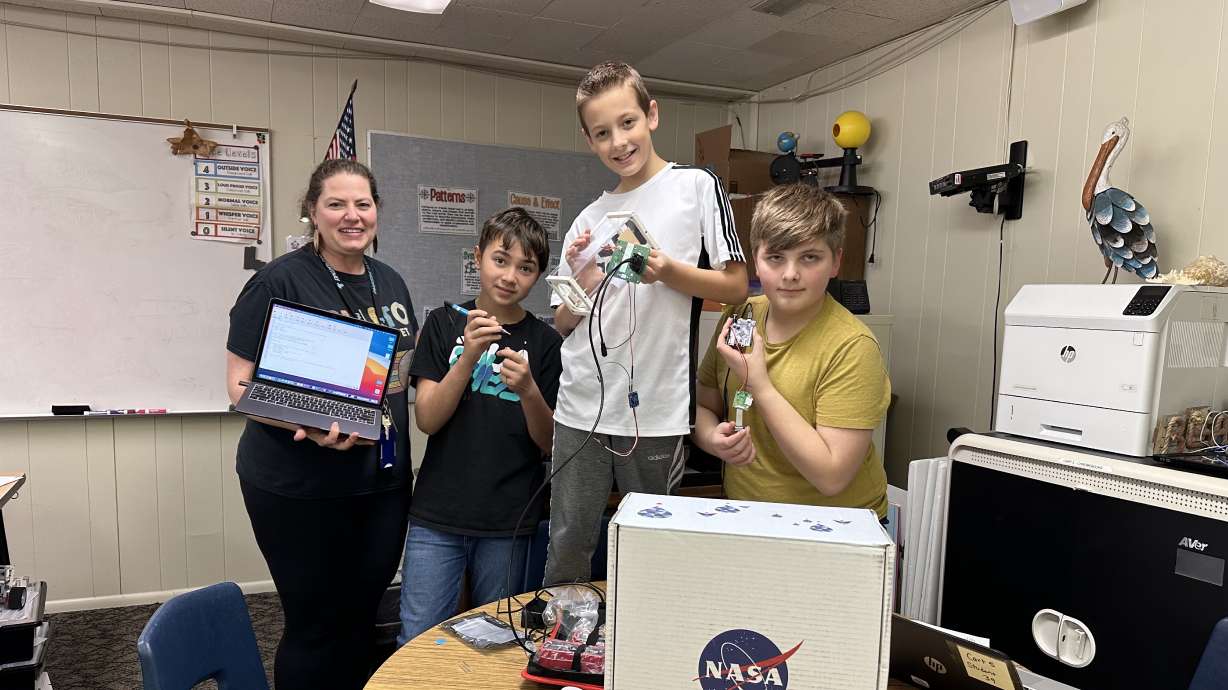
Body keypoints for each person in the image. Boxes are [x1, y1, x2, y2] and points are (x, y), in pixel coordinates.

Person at [544, 61, 749, 586]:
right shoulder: (589, 216)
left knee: (648, 546)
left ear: (652, 115)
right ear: (589, 140)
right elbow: (562, 322)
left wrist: (669, 271)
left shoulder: (696, 186)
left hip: (654, 411)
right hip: (579, 407)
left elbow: (734, 286)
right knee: (568, 539)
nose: (619, 141)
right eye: (602, 133)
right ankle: (561, 649)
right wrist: (583, 277)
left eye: (628, 123)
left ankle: (644, 648)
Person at [225, 159, 418, 689]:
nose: (351, 216)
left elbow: (397, 379)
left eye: (363, 203)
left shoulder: (392, 282)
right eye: (336, 204)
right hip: (297, 486)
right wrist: (308, 426)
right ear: (313, 211)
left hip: (380, 484)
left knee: (362, 620)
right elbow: (240, 387)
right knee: (314, 625)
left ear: (377, 210)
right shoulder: (278, 280)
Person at [397, 208, 562, 644]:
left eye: (525, 268)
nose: (510, 276)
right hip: (437, 515)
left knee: (499, 641)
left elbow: (548, 444)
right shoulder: (444, 323)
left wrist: (528, 390)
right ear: (477, 257)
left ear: (538, 277)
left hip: (508, 520)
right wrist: (468, 355)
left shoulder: (545, 345)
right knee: (418, 638)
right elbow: (428, 419)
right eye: (500, 259)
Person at [693, 183, 891, 518]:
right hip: (747, 514)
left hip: (835, 525)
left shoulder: (852, 348)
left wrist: (760, 383)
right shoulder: (739, 318)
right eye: (775, 257)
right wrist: (713, 438)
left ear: (835, 262)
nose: (790, 274)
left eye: (810, 257)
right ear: (756, 261)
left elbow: (831, 476)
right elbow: (702, 405)